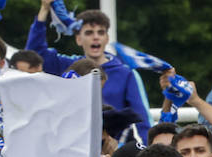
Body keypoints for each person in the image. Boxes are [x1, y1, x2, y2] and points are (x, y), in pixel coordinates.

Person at [27, 2, 149, 140]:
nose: (95, 37)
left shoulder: (126, 73)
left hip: (114, 151)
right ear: (79, 39)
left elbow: (142, 120)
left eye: (100, 32)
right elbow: (33, 57)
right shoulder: (68, 65)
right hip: (73, 145)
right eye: (89, 33)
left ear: (106, 38)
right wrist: (44, 10)